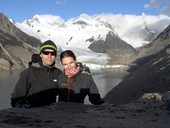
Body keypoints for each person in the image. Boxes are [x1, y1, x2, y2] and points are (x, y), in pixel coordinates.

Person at [11, 40, 62, 108]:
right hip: (31, 115)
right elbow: (16, 98)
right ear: (41, 54)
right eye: (46, 52)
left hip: (50, 115)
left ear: (55, 56)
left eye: (52, 53)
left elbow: (65, 94)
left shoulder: (58, 74)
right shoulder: (29, 73)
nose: (49, 55)